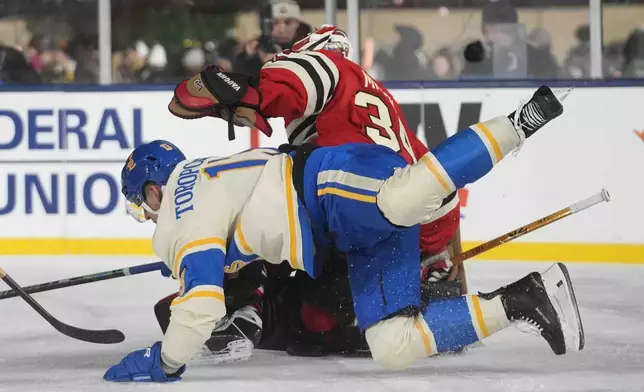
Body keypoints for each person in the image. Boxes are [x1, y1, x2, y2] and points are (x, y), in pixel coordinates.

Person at [104, 65, 584, 381]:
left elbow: (201, 307)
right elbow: (244, 238)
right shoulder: (204, 175)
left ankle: (523, 120)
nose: (148, 216)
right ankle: (526, 299)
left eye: (142, 204)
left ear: (151, 191)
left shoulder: (179, 218)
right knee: (393, 344)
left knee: (401, 199)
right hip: (345, 227)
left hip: (322, 188)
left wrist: (164, 362)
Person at [163, 25, 466, 359]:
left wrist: (252, 94)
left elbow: (284, 88)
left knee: (311, 315)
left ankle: (250, 303)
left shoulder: (321, 64)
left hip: (371, 214)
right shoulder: (372, 94)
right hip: (423, 215)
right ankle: (429, 289)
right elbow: (435, 177)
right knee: (311, 315)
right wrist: (444, 252)